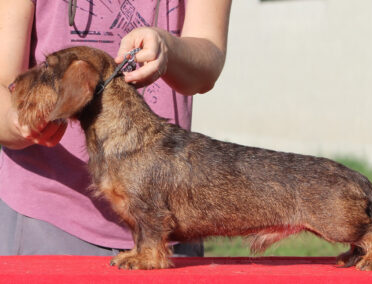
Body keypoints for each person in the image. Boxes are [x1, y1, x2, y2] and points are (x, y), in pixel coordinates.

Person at [0, 0, 231, 255]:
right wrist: (16, 123)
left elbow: (207, 64)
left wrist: (168, 47)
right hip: (46, 217)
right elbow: (3, 81)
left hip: (165, 219)